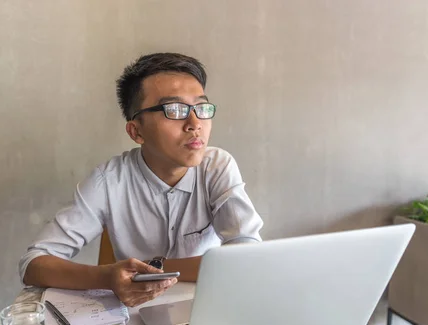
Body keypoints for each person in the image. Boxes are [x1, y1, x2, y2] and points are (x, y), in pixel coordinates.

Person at [19, 52, 263, 307]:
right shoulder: (110, 181)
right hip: (135, 314)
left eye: (201, 108)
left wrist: (156, 267)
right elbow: (33, 263)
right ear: (136, 131)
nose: (195, 124)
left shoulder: (216, 166)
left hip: (207, 309)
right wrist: (106, 276)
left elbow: (247, 256)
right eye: (175, 110)